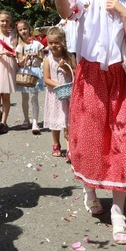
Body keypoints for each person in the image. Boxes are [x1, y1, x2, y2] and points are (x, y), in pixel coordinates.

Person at [54, 0, 126, 246]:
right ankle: (90, 190)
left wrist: (124, 15)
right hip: (91, 78)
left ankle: (118, 212)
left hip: (121, 79)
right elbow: (65, 11)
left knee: (124, 140)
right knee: (91, 139)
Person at [42, 27, 76, 158]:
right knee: (55, 121)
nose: (53, 46)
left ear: (63, 42)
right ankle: (56, 143)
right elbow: (46, 79)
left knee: (68, 121)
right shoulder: (48, 60)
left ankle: (70, 148)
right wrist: (59, 85)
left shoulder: (69, 57)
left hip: (68, 94)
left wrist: (65, 68)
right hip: (55, 95)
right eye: (50, 43)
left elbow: (76, 74)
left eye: (56, 42)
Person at [15, 19, 45, 134]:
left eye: (25, 29)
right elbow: (20, 62)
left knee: (34, 97)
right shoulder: (19, 46)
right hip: (24, 72)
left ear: (29, 30)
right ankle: (26, 119)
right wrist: (25, 57)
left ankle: (35, 122)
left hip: (34, 72)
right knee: (25, 98)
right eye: (20, 30)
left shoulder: (37, 44)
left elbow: (42, 59)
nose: (23, 31)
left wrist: (36, 55)